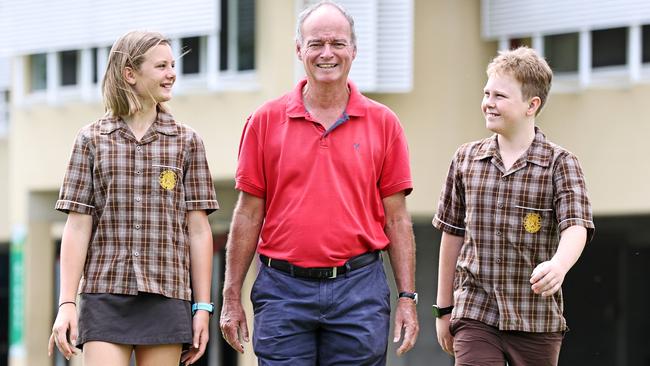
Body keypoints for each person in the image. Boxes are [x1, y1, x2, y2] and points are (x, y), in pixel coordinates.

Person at [219, 1, 419, 364]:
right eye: (316, 44)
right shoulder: (264, 121)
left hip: (359, 291)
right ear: (299, 50)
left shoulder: (384, 123)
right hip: (283, 292)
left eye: (338, 43)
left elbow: (397, 219)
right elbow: (248, 215)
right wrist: (231, 295)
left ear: (354, 50)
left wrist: (408, 297)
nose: (327, 53)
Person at [47, 30, 219, 366]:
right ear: (130, 74)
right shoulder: (91, 140)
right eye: (161, 66)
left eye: (172, 65)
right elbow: (78, 226)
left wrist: (202, 308)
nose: (172, 73)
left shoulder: (187, 142)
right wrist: (66, 303)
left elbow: (198, 231)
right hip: (105, 294)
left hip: (166, 295)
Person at [432, 46, 595, 366]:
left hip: (535, 320)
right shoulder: (465, 159)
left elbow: (576, 225)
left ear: (531, 105)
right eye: (486, 93)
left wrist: (559, 265)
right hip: (475, 314)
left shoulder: (559, 164)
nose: (488, 103)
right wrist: (444, 309)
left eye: (500, 96)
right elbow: (451, 235)